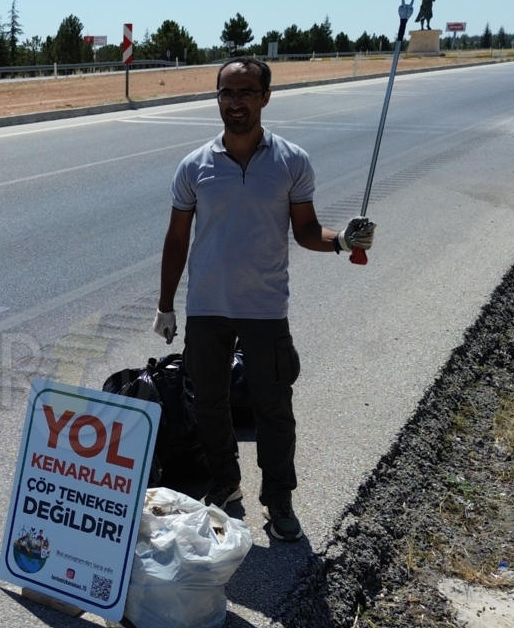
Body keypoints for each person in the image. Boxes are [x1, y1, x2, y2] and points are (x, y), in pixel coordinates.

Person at [153, 57, 373, 541]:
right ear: (217, 98)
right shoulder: (195, 167)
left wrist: (342, 240)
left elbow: (307, 231)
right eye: (227, 93)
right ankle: (226, 490)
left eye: (247, 92)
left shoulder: (291, 161)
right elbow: (176, 239)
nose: (236, 102)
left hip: (265, 309)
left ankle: (279, 501)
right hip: (208, 307)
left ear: (265, 97)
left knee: (274, 410)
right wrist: (166, 304)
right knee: (208, 405)